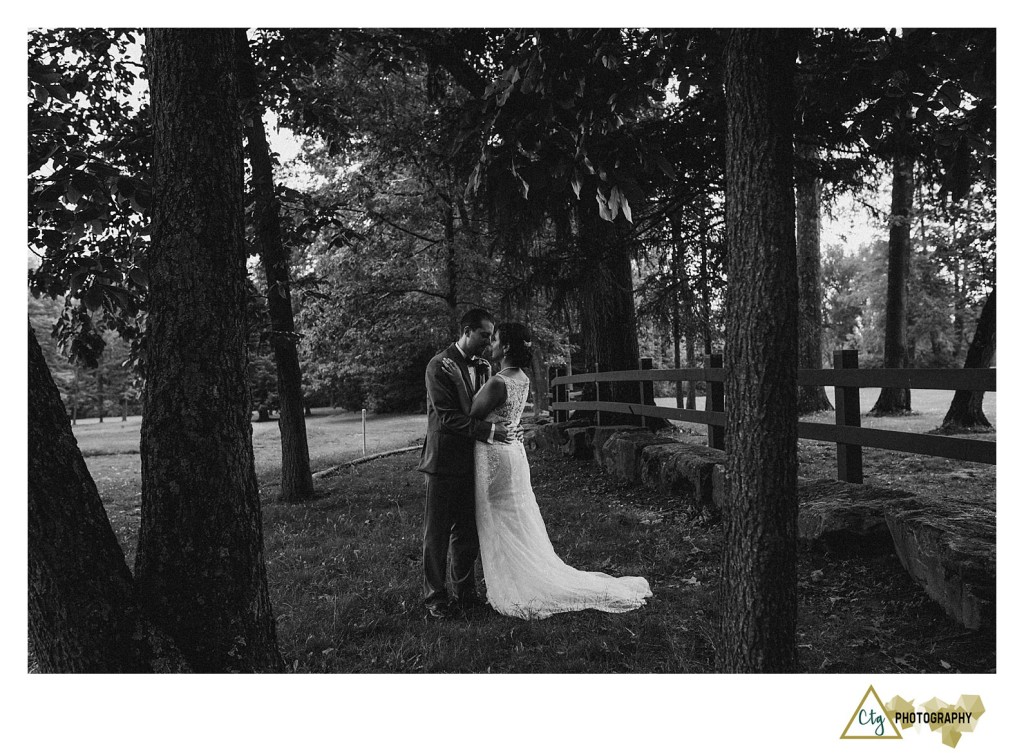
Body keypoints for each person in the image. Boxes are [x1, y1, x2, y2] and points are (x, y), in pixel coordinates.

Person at [440, 322, 652, 620]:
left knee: (497, 520)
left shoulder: (498, 382)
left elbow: (470, 413)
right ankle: (513, 574)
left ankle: (513, 583)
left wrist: (459, 383)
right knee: (512, 519)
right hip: (513, 453)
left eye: (496, 340)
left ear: (507, 347)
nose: (491, 345)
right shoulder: (521, 377)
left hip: (494, 458)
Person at [417, 309, 515, 620]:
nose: (489, 342)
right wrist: (489, 432)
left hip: (474, 462)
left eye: (491, 336)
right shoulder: (438, 366)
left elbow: (479, 407)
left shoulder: (484, 367)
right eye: (484, 335)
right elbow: (448, 418)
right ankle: (435, 598)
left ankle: (465, 593)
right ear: (467, 331)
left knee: (468, 532)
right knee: (437, 534)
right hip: (443, 461)